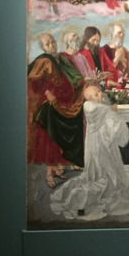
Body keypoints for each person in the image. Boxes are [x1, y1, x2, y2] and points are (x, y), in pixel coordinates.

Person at [50, 85, 129, 221]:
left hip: (99, 146)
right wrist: (112, 111)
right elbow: (113, 123)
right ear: (90, 99)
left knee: (104, 167)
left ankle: (104, 182)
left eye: (99, 91)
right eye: (96, 94)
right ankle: (93, 193)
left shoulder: (94, 108)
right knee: (105, 169)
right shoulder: (96, 108)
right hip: (101, 146)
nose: (100, 94)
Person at [27, 33, 86, 187]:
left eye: (52, 42)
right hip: (50, 104)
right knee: (49, 138)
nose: (52, 45)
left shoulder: (60, 59)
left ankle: (57, 169)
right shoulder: (43, 60)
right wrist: (48, 93)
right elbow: (36, 83)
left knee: (59, 138)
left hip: (62, 102)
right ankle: (49, 173)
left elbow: (71, 79)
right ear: (43, 48)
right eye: (48, 44)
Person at [102, 24, 129, 88]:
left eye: (123, 33)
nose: (122, 35)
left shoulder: (124, 50)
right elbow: (104, 70)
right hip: (111, 84)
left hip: (124, 83)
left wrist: (123, 59)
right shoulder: (104, 50)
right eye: (119, 33)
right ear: (112, 34)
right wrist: (117, 58)